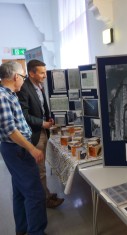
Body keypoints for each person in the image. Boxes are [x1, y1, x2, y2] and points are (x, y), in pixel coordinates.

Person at [0, 61, 47, 235]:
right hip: (17, 150)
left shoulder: (11, 95)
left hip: (17, 150)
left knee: (20, 192)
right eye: (24, 76)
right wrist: (32, 149)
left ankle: (23, 229)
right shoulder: (3, 97)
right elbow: (10, 130)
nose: (24, 80)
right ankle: (36, 232)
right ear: (15, 77)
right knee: (35, 194)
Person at [17, 59, 64, 208]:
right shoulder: (24, 88)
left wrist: (48, 118)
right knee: (40, 169)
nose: (45, 75)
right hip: (35, 134)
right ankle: (44, 199)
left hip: (43, 131)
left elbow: (41, 107)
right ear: (31, 73)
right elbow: (24, 115)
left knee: (41, 167)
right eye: (42, 72)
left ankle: (46, 194)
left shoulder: (39, 85)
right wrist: (41, 123)